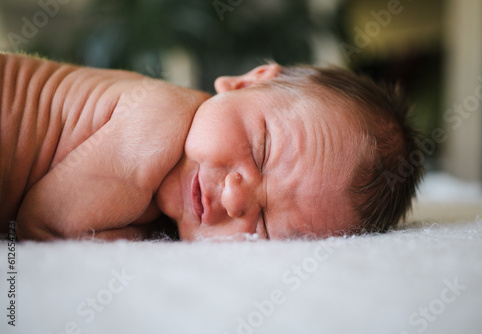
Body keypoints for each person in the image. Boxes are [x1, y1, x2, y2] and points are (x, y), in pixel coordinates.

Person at [0, 52, 424, 241]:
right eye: (261, 150)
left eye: (265, 229)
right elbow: (44, 225)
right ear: (244, 82)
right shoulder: (162, 115)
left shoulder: (168, 196)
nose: (237, 198)